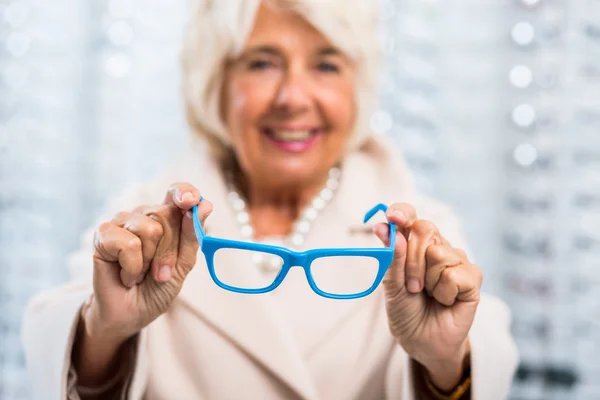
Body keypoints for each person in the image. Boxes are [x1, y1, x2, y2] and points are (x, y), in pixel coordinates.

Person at [21, 1, 518, 399]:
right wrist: (106, 332)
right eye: (262, 63)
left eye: (326, 64)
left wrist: (443, 363)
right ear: (215, 85)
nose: (293, 97)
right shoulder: (143, 224)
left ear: (357, 87)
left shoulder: (420, 230)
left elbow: (488, 359)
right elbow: (53, 357)